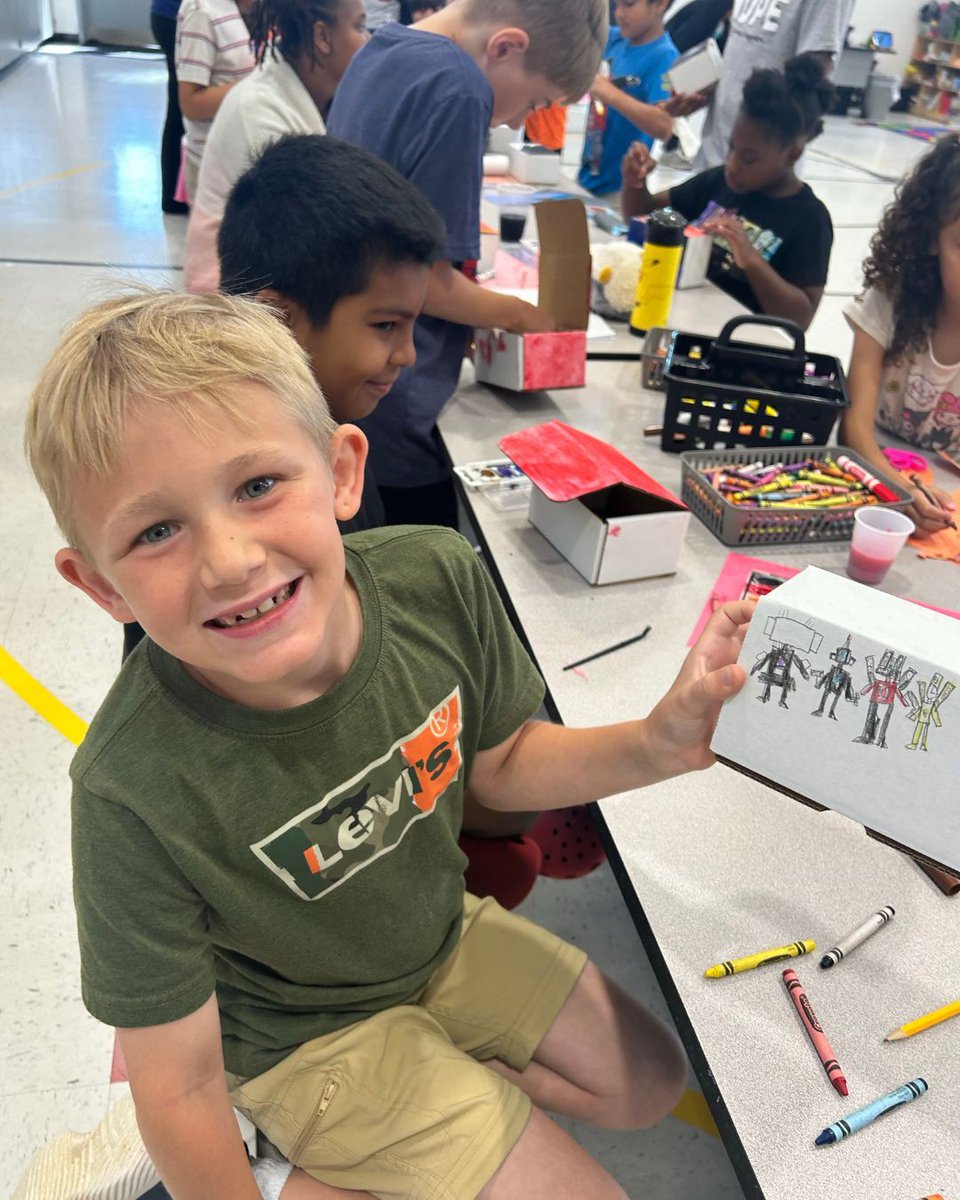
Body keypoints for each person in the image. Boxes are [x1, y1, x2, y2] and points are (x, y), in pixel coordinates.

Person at [26, 289, 752, 1200]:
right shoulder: (129, 788)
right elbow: (176, 1084)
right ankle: (283, 1153)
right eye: (156, 531)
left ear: (339, 470)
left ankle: (412, 1124)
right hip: (299, 1040)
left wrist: (655, 743)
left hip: (435, 944)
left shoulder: (437, 580)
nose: (229, 561)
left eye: (257, 486)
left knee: (649, 1079)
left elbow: (501, 764)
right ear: (102, 587)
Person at [327, 0, 598, 528]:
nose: (520, 120)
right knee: (424, 549)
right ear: (506, 47)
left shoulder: (378, 48)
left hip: (346, 362)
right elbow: (425, 281)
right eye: (536, 102)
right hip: (398, 391)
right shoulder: (459, 87)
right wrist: (520, 314)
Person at [621, 54, 833, 331]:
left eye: (748, 159)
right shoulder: (719, 182)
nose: (732, 165)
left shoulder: (809, 219)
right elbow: (642, 215)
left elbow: (800, 318)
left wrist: (751, 259)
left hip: (741, 345)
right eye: (731, 148)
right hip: (685, 322)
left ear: (792, 155)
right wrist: (635, 181)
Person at [183, 0, 368, 293]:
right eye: (359, 27)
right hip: (237, 300)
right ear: (322, 37)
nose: (367, 40)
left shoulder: (314, 95)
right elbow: (310, 242)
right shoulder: (262, 116)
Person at [840, 132, 960, 533]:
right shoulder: (891, 300)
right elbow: (854, 426)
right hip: (872, 477)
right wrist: (896, 484)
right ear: (931, 242)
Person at [672, 0, 850, 172]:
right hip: (713, 158)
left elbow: (814, 76)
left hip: (758, 174)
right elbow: (742, 51)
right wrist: (701, 93)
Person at [577, 0, 678, 198]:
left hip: (619, 192)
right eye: (617, 5)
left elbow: (664, 125)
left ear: (660, 4)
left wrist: (610, 93)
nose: (619, 13)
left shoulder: (665, 57)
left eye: (629, 5)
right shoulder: (614, 39)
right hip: (587, 179)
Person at [175, 0, 257, 202]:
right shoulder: (201, 13)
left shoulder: (249, 8)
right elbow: (191, 104)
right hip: (214, 167)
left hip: (247, 161)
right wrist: (257, 83)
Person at [150, 0, 189, 214]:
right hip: (175, 19)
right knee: (182, 108)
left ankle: (175, 197)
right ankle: (174, 198)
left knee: (179, 110)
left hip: (169, 17)